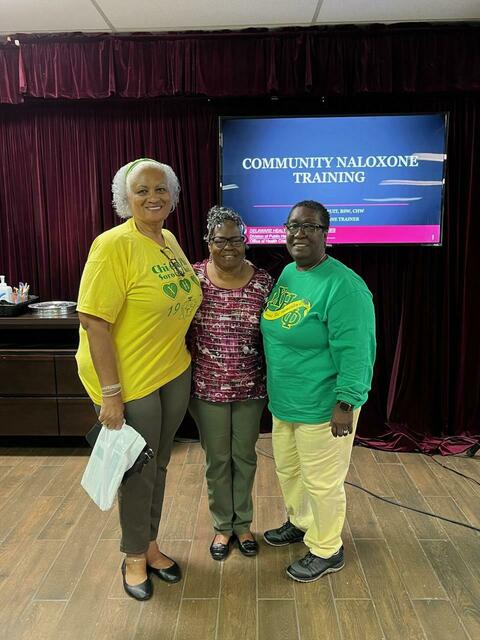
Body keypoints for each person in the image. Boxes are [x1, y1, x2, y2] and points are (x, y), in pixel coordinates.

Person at [76, 158, 202, 600]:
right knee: (137, 470)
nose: (153, 197)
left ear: (173, 196)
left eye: (161, 189)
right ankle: (133, 555)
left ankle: (149, 544)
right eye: (142, 190)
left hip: (172, 370)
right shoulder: (112, 245)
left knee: (159, 462)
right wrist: (111, 395)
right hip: (130, 381)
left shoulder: (168, 239)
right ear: (124, 199)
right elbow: (94, 322)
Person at [260, 200, 376, 582]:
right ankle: (302, 522)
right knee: (290, 471)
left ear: (325, 233)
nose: (299, 234)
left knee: (322, 482)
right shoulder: (289, 273)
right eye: (292, 226)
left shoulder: (345, 287)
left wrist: (346, 403)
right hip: (286, 401)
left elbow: (357, 351)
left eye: (309, 227)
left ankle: (328, 549)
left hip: (324, 406)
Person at [188, 206, 273, 561]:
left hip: (251, 388)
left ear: (246, 241)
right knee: (218, 460)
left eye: (236, 240)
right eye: (221, 240)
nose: (229, 247)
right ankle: (223, 527)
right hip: (207, 388)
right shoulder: (193, 278)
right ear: (208, 242)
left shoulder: (264, 281)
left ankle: (243, 525)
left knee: (244, 457)